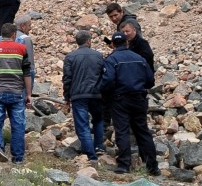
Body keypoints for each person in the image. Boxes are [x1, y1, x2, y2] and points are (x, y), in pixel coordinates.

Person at [101, 32, 159, 176]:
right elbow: (150, 80)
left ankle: (124, 165)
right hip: (139, 98)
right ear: (127, 43)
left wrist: (106, 94)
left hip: (120, 99)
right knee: (143, 131)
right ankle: (152, 166)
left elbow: (107, 81)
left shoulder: (112, 59)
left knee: (122, 130)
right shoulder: (139, 58)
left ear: (113, 44)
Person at [0, 22, 32, 164]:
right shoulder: (22, 49)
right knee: (18, 125)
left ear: (2, 35)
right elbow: (27, 73)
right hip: (17, 93)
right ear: (14, 35)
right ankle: (17, 159)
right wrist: (29, 94)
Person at [62, 30, 106, 164]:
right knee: (98, 120)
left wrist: (67, 97)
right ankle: (99, 146)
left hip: (78, 95)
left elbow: (67, 79)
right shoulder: (98, 56)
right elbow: (104, 75)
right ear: (88, 41)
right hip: (96, 94)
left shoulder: (70, 57)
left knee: (82, 125)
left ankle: (91, 156)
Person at [15, 12, 36, 90]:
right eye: (29, 25)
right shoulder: (25, 39)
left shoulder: (2, 38)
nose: (30, 28)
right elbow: (30, 65)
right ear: (23, 26)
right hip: (22, 78)